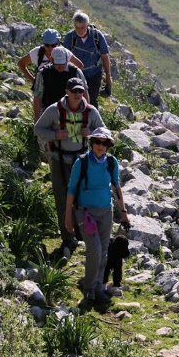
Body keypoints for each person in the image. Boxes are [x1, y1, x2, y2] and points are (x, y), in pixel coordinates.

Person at [34, 78, 104, 256]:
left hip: (81, 160)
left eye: (80, 92)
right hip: (58, 160)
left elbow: (104, 133)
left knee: (82, 198)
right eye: (74, 91)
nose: (77, 95)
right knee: (61, 198)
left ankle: (82, 233)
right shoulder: (54, 110)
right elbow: (38, 129)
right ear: (67, 91)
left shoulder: (90, 111)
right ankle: (67, 236)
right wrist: (54, 134)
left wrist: (92, 134)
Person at [65, 127, 130, 306]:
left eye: (105, 143)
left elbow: (116, 187)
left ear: (108, 145)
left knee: (103, 251)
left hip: (105, 211)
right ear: (92, 142)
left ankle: (98, 288)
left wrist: (123, 212)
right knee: (94, 249)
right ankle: (89, 289)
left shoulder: (111, 162)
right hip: (84, 211)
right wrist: (68, 216)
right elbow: (71, 189)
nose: (101, 146)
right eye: (98, 142)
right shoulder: (82, 162)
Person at [63, 11, 112, 109]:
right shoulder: (70, 37)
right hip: (76, 74)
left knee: (92, 100)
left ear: (88, 25)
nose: (80, 31)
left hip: (94, 74)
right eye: (77, 28)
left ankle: (91, 121)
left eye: (82, 28)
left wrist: (108, 78)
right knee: (75, 99)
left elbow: (105, 56)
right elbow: (65, 57)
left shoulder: (97, 36)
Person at [33, 46, 89, 122]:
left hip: (73, 112)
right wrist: (37, 118)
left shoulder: (76, 72)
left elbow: (84, 93)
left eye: (62, 63)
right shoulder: (43, 74)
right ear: (51, 59)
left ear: (67, 59)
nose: (60, 66)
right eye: (58, 63)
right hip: (48, 111)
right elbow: (37, 97)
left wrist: (86, 116)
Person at [17, 28, 84, 85]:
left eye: (53, 45)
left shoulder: (64, 52)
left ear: (57, 43)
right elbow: (21, 63)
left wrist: (71, 82)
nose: (50, 47)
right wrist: (33, 80)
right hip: (43, 89)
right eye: (47, 45)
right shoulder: (37, 52)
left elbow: (80, 65)